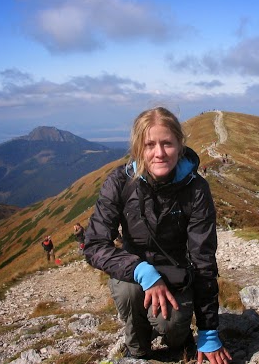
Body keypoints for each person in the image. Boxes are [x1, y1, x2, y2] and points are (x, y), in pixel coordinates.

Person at [84, 107, 231, 363]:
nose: (159, 153)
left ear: (180, 145)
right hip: (133, 273)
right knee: (128, 292)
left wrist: (208, 332)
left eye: (167, 143)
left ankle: (179, 338)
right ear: (138, 148)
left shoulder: (196, 189)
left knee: (171, 325)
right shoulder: (120, 182)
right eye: (149, 144)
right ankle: (137, 349)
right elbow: (94, 245)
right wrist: (142, 271)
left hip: (176, 274)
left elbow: (203, 261)